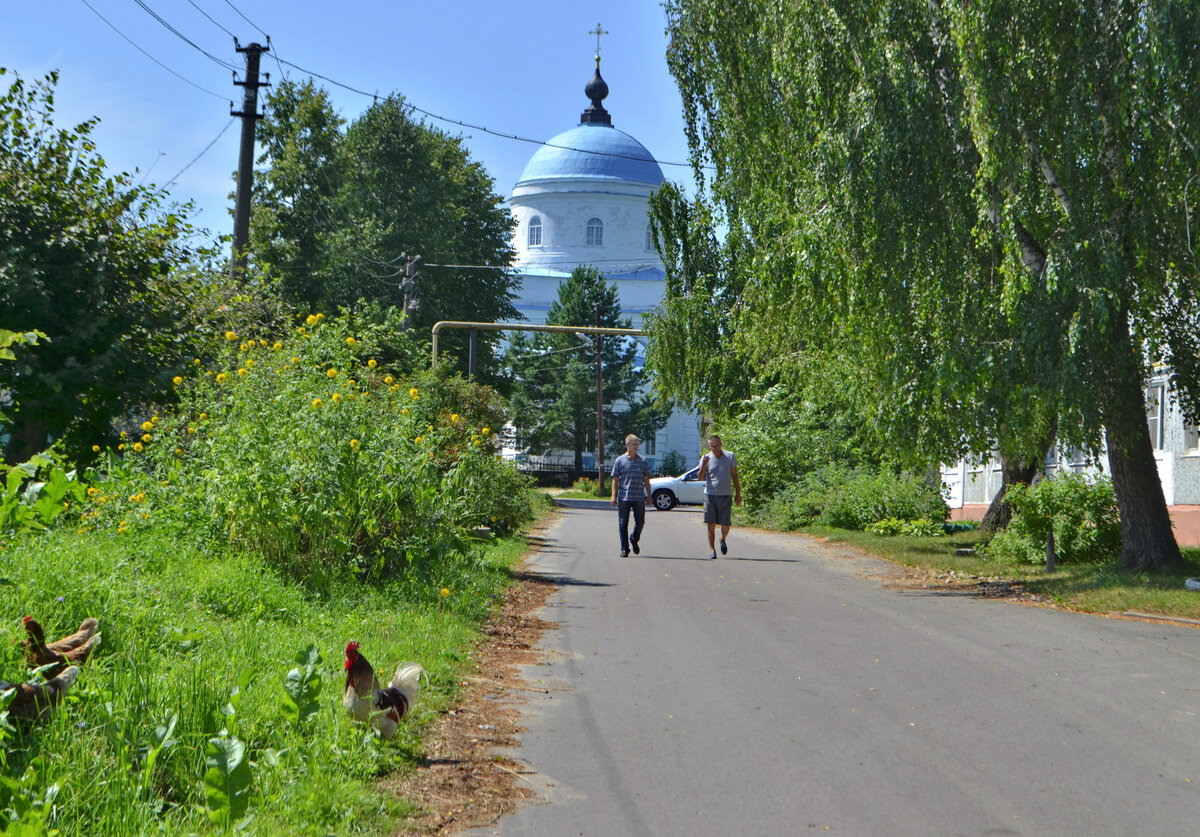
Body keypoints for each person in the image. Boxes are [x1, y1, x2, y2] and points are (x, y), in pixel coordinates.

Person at [697, 434, 741, 559]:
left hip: (726, 495)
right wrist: (704, 465)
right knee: (710, 523)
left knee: (725, 524)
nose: (714, 449)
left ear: (721, 444)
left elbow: (735, 476)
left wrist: (738, 494)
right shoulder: (706, 458)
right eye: (711, 447)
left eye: (716, 446)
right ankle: (712, 549)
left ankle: (722, 539)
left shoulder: (730, 456)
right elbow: (700, 478)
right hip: (710, 495)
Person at [610, 434, 652, 557]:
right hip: (624, 497)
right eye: (634, 444)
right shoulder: (620, 460)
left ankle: (634, 538)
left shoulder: (643, 460)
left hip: (638, 497)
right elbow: (615, 479)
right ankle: (624, 548)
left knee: (640, 521)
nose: (636, 446)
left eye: (638, 444)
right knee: (623, 523)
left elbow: (646, 480)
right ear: (627, 445)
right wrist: (613, 496)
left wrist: (649, 495)